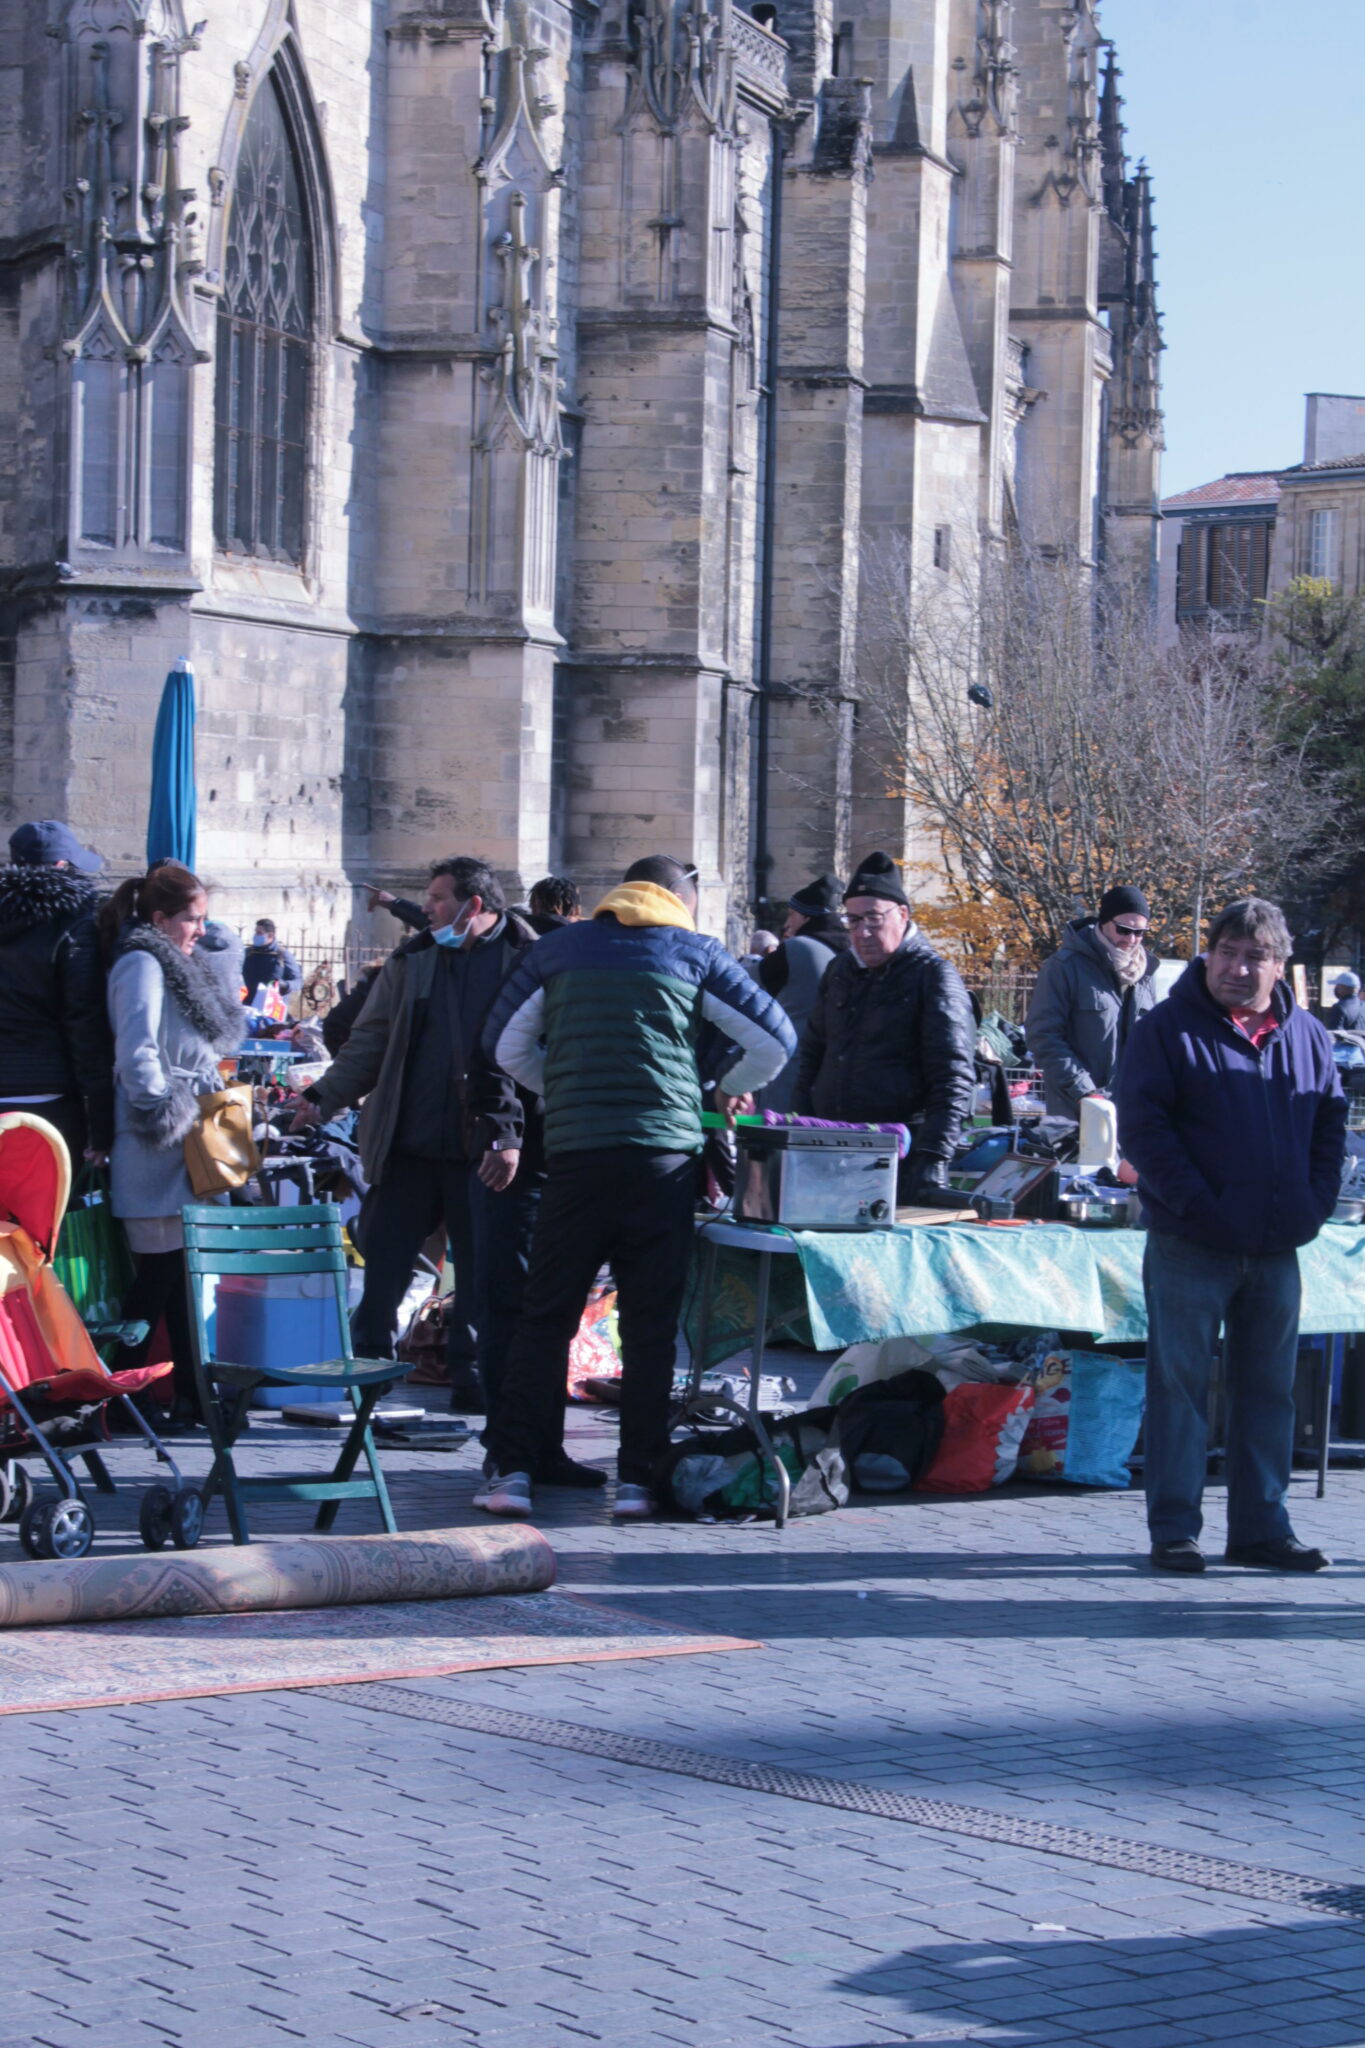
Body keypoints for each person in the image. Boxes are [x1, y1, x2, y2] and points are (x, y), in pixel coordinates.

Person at [475, 854, 796, 1520]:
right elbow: (774, 1040)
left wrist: (561, 1088)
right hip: (663, 1163)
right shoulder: (694, 953)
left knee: (545, 1319)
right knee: (649, 1329)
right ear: (680, 901)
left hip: (575, 1157)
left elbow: (503, 1044)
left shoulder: (558, 951)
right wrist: (719, 1088)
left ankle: (512, 1471)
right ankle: (637, 1482)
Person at [292, 859, 568, 1467]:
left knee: (480, 1275)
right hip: (410, 1142)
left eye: (439, 898)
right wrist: (322, 1096)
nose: (430, 909)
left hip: (487, 1151)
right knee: (384, 1262)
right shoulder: (412, 959)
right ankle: (367, 1379)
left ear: (474, 905)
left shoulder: (530, 956)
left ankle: (470, 1380)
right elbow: (368, 1038)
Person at [1116, 898, 1346, 1576]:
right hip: (1192, 1243)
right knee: (1180, 1390)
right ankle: (1174, 1530)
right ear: (1207, 954)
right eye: (1227, 952)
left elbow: (1330, 1124)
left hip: (1277, 1247)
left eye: (1255, 957)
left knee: (1268, 1392)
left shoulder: (1304, 1034)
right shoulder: (1164, 1029)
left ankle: (1259, 1529)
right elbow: (1144, 1132)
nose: (1237, 968)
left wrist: (1313, 1203)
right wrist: (1199, 1206)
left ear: (1280, 967)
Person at [101, 863, 244, 1422]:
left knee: (185, 1271)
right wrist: (163, 1107)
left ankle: (190, 1391)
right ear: (160, 919)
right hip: (162, 1133)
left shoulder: (174, 962)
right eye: (192, 919)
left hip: (198, 1123)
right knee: (159, 1274)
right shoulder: (140, 963)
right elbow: (136, 1050)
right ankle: (127, 1395)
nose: (199, 931)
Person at [794, 852, 976, 1203]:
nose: (863, 932)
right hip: (831, 1149)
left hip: (900, 1157)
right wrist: (803, 1129)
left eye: (874, 919)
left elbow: (953, 1077)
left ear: (902, 915)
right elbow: (812, 1058)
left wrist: (933, 1159)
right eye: (853, 920)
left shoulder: (933, 975)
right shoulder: (839, 971)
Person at [0, 820, 114, 1165]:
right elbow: (84, 1024)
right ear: (63, 866)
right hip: (48, 1094)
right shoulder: (74, 924)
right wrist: (102, 1126)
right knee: (49, 1213)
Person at [1026, 886, 1159, 1119]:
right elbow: (1043, 1036)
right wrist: (1084, 1092)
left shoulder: (1145, 973)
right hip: (1077, 1109)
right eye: (1124, 930)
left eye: (1140, 933)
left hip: (1132, 1111)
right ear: (1104, 922)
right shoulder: (1064, 967)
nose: (1131, 939)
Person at [755, 872, 850, 1112]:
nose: (786, 924)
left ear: (808, 918)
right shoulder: (855, 953)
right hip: (840, 1075)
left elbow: (743, 985)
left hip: (790, 1070)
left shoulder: (796, 949)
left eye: (792, 915)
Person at [242, 918, 301, 1002]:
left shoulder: (282, 954)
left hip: (272, 1007)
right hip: (249, 1004)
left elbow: (298, 981)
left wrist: (286, 985)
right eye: (255, 932)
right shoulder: (248, 953)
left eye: (259, 933)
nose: (255, 936)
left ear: (270, 936)